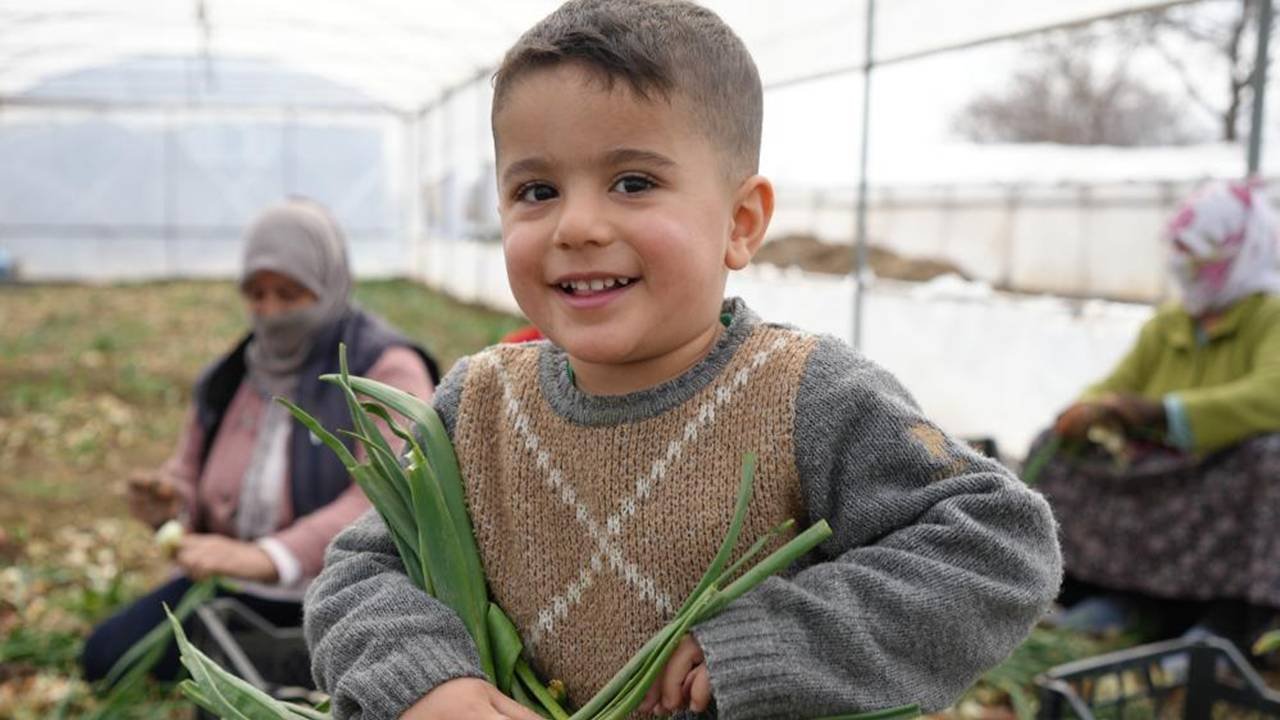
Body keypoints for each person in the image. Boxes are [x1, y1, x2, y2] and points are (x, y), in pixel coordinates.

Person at [302, 2, 1062, 718]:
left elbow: (998, 544)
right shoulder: (478, 406)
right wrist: (428, 681)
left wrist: (773, 645)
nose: (578, 224)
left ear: (741, 221)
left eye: (633, 182)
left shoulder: (803, 393)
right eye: (537, 190)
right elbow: (359, 573)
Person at [80, 199, 439, 684]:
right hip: (230, 586)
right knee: (106, 657)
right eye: (256, 294)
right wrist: (169, 499)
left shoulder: (383, 367)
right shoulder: (232, 376)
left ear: (327, 283)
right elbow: (188, 467)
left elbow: (387, 497)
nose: (270, 312)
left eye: (289, 295)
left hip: (343, 595)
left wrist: (269, 557)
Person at [1040, 180, 1280, 651]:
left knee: (1271, 461)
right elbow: (1113, 384)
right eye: (1180, 251)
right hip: (1160, 462)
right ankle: (1104, 594)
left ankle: (1231, 619)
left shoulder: (1269, 316)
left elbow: (1272, 391)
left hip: (1224, 464)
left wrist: (1166, 413)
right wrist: (1087, 409)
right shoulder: (1170, 323)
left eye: (1199, 254)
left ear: (1242, 252)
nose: (1183, 265)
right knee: (1051, 448)